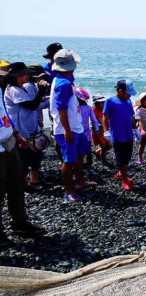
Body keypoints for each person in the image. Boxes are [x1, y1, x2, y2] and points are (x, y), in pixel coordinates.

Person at [49, 49, 93, 202]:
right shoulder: (63, 84)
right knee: (68, 160)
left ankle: (80, 182)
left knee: (80, 155)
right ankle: (68, 190)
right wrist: (67, 130)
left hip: (76, 125)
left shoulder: (62, 79)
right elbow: (61, 109)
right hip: (67, 128)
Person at [0, 97, 45, 246]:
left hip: (9, 142)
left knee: (17, 184)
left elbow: (4, 111)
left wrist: (16, 134)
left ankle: (19, 222)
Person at [3, 62, 49, 189]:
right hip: (22, 131)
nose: (26, 77)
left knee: (36, 156)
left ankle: (34, 180)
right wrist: (41, 92)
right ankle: (24, 185)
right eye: (23, 75)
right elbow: (31, 106)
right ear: (15, 76)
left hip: (30, 128)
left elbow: (33, 105)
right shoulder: (13, 90)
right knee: (24, 159)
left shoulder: (21, 88)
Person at [103, 80, 137, 191]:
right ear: (120, 91)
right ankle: (124, 179)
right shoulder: (110, 101)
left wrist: (135, 129)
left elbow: (132, 115)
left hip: (128, 134)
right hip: (117, 135)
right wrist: (105, 131)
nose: (130, 95)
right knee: (121, 157)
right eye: (128, 93)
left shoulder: (128, 101)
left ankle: (121, 173)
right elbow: (105, 117)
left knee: (128, 155)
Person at [75, 87, 100, 173]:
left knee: (79, 151)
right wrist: (96, 129)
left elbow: (93, 120)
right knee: (87, 151)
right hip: (86, 133)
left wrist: (96, 129)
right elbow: (94, 120)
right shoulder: (88, 107)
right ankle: (88, 167)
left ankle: (80, 167)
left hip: (78, 132)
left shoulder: (74, 108)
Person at [90, 94, 111, 164]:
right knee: (104, 147)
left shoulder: (104, 108)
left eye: (103, 102)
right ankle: (104, 161)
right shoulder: (93, 110)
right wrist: (98, 130)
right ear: (96, 103)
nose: (103, 103)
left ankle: (97, 152)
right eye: (101, 102)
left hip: (104, 130)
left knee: (109, 146)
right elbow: (93, 122)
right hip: (97, 131)